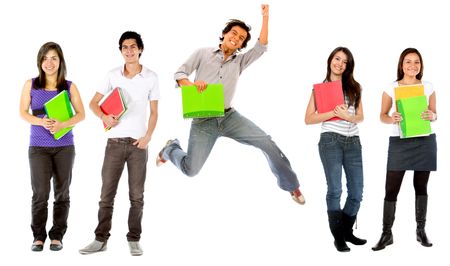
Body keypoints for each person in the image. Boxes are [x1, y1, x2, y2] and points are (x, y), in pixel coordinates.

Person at [156, 5, 305, 204]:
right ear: (224, 34)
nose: (236, 38)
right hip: (203, 121)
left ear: (241, 44)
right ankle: (170, 148)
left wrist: (266, 16)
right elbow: (179, 74)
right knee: (191, 170)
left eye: (241, 38)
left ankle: (291, 185)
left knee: (267, 143)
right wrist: (191, 85)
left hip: (229, 117)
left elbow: (261, 46)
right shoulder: (203, 53)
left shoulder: (240, 61)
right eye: (233, 33)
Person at [79, 31, 159, 256]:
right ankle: (100, 239)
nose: (129, 51)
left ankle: (134, 239)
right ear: (121, 50)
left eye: (133, 46)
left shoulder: (151, 77)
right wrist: (104, 116)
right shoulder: (112, 75)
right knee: (107, 194)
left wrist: (148, 137)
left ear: (140, 49)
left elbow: (154, 112)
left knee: (137, 196)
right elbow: (93, 103)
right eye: (125, 47)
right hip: (113, 143)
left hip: (138, 145)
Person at [19, 42, 85, 252]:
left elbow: (81, 114)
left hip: (64, 147)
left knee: (62, 192)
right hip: (38, 147)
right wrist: (41, 122)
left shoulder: (69, 86)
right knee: (40, 193)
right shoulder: (31, 85)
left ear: (60, 61)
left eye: (54, 58)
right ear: (40, 61)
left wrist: (62, 124)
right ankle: (38, 237)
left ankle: (57, 236)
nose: (49, 62)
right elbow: (22, 112)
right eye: (45, 58)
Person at [372, 48, 437, 251]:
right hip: (399, 141)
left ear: (421, 65)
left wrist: (431, 115)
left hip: (424, 141)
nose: (412, 66)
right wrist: (391, 118)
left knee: (421, 187)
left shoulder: (428, 86)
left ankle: (420, 231)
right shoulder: (391, 87)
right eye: (408, 62)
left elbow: (435, 114)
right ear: (401, 65)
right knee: (391, 189)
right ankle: (386, 233)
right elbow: (382, 115)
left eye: (416, 62)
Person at [304, 47, 366, 252]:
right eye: (337, 59)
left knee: (357, 191)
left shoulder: (354, 87)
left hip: (353, 142)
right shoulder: (320, 89)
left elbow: (360, 117)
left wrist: (348, 117)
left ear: (348, 66)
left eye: (345, 61)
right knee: (335, 189)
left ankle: (346, 231)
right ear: (330, 60)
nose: (340, 63)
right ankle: (338, 237)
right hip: (330, 140)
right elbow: (308, 119)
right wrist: (332, 112)